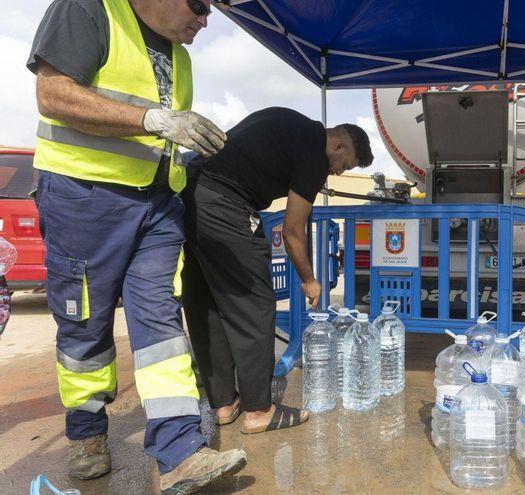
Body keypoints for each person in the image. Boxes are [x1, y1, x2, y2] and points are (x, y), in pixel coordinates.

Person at [28, 0, 247, 493]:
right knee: (86, 321)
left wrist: (180, 137)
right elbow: (53, 94)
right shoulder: (90, 10)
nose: (204, 19)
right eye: (199, 5)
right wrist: (154, 120)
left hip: (156, 203)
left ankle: (179, 453)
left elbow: (157, 134)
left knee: (160, 321)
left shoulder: (180, 55)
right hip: (84, 194)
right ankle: (86, 433)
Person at [180, 107, 373, 433]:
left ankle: (224, 403)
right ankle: (259, 409)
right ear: (338, 145)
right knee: (255, 303)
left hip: (192, 196)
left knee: (207, 303)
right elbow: (293, 229)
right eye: (343, 165)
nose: (338, 173)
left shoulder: (288, 121)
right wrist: (309, 280)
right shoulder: (314, 153)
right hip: (226, 206)